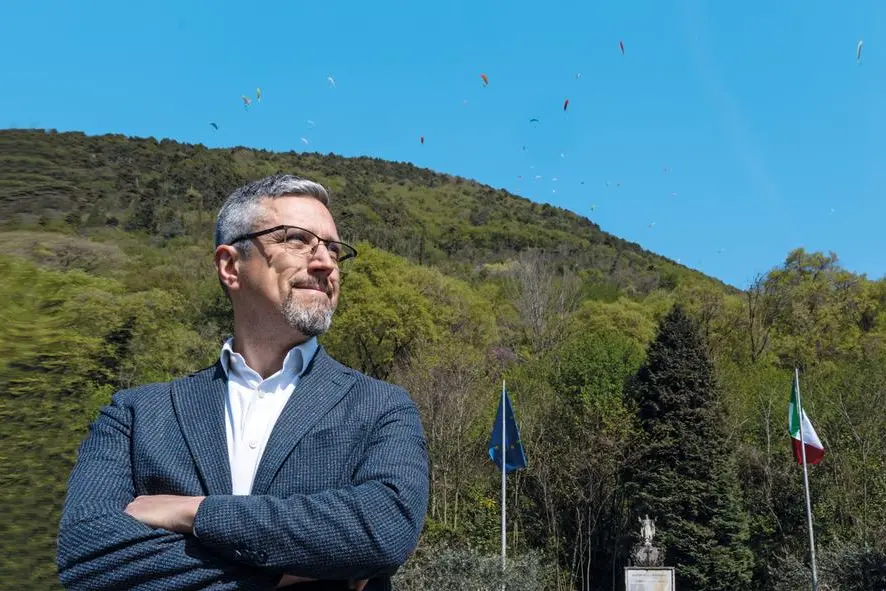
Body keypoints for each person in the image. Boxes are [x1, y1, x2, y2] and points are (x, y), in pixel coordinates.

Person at [57, 174, 430, 590]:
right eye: (296, 239)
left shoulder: (382, 407)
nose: (325, 262)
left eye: (333, 248)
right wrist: (290, 572)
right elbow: (83, 557)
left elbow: (383, 530)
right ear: (231, 266)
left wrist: (195, 514)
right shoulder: (133, 415)